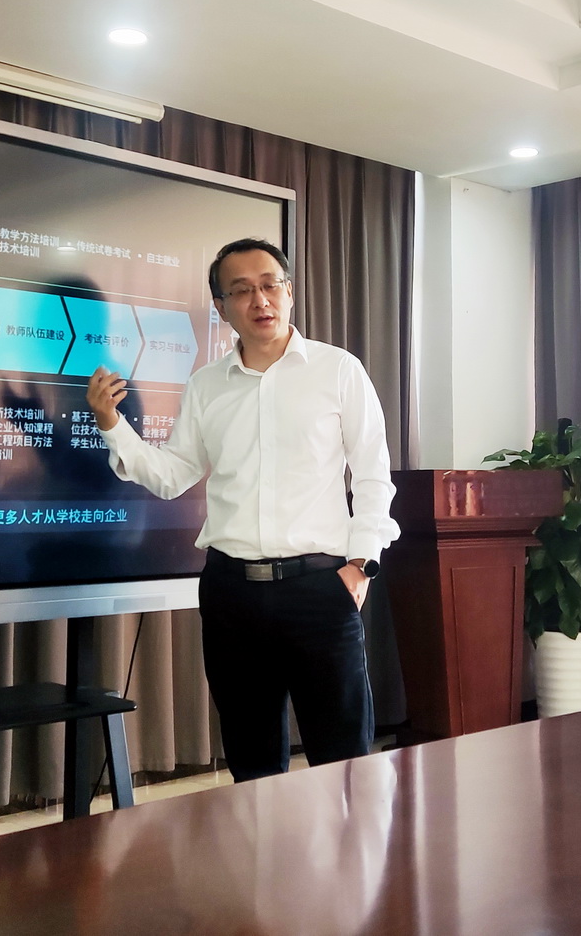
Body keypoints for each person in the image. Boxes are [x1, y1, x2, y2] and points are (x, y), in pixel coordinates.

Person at [85, 237, 399, 780]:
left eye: (270, 284)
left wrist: (361, 564)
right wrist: (114, 427)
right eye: (242, 290)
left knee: (343, 762)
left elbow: (373, 474)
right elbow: (173, 475)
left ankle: (351, 843)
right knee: (251, 764)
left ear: (289, 292)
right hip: (232, 594)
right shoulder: (207, 385)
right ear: (221, 306)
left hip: (320, 590)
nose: (261, 300)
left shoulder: (338, 370)